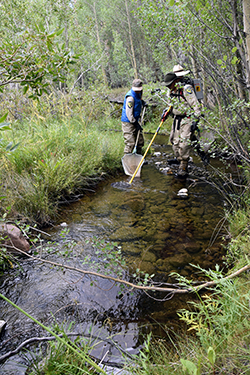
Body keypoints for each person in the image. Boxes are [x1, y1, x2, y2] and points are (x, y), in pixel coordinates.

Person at [162, 64, 202, 177]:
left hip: (187, 119)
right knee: (174, 141)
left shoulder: (186, 89)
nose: (168, 87)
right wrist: (166, 112)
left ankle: (183, 165)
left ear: (175, 81)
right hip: (177, 119)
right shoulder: (170, 91)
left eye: (169, 84)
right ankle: (179, 159)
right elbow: (170, 105)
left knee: (184, 143)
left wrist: (196, 120)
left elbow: (196, 105)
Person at [121, 79, 145, 155]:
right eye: (136, 90)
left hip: (135, 120)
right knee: (130, 143)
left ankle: (138, 159)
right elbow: (129, 113)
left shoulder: (140, 92)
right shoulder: (130, 98)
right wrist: (134, 123)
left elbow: (138, 99)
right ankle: (127, 160)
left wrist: (142, 102)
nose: (138, 91)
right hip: (128, 122)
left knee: (140, 141)